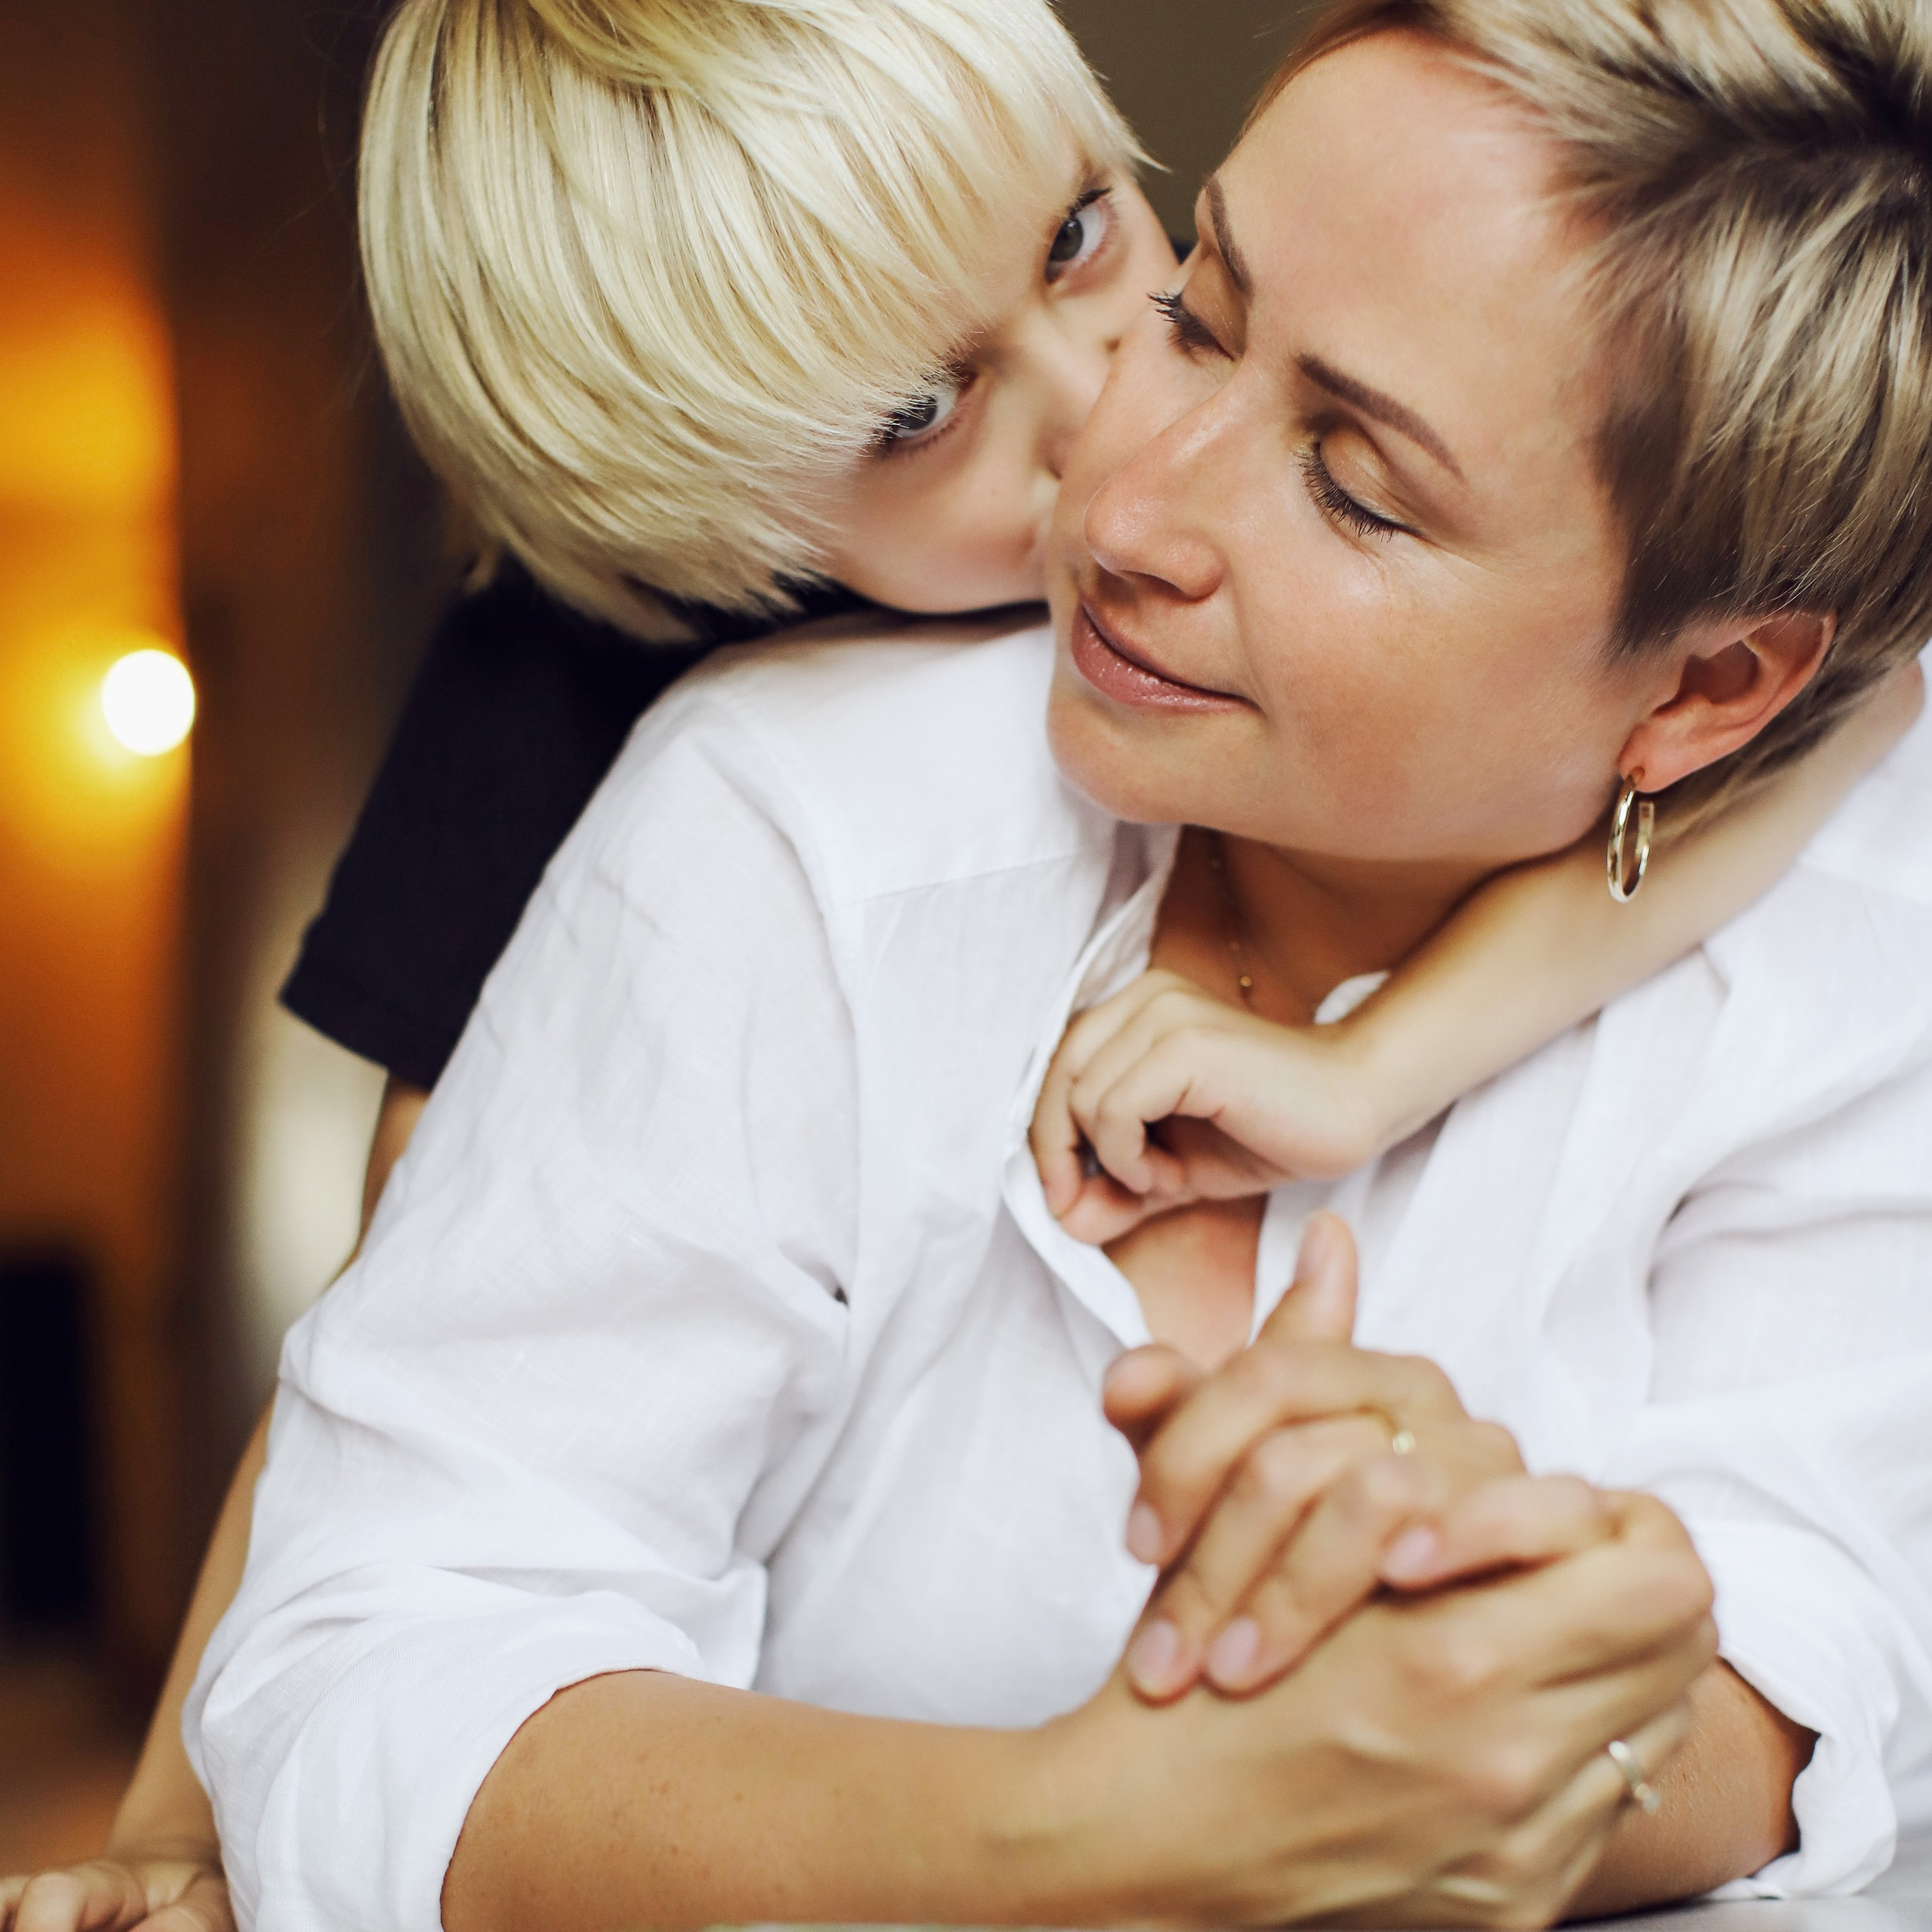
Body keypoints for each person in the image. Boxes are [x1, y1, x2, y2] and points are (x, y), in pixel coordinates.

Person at [149, 0, 1932, 1929]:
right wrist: (1103, 1831)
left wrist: (1453, 1661)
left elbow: (1804, 1659)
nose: (1117, 481)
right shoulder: (685, 752)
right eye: (1211, 314)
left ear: (1710, 685)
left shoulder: (1845, 846)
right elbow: (394, 1549)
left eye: (1351, 479)